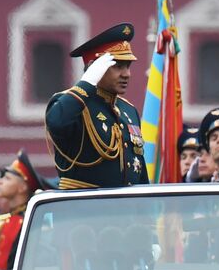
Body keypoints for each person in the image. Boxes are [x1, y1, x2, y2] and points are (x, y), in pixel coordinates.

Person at [46, 23, 149, 189]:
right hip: (85, 208)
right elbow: (58, 123)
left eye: (128, 66)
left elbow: (140, 172)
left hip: (127, 209)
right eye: (117, 66)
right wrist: (86, 83)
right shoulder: (72, 103)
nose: (126, 74)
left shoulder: (128, 110)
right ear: (95, 68)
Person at [0, 150, 49, 270]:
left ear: (22, 188)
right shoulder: (10, 219)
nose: (0, 181)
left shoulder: (29, 221)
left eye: (7, 178)